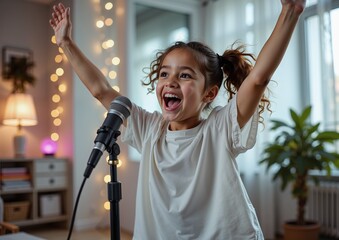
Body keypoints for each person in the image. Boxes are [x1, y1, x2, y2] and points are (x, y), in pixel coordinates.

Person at [50, 1, 306, 239]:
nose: (170, 81)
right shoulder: (149, 128)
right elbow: (101, 89)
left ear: (209, 93)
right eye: (164, 73)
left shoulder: (220, 128)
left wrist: (290, 11)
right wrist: (66, 43)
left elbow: (258, 78)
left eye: (184, 76)